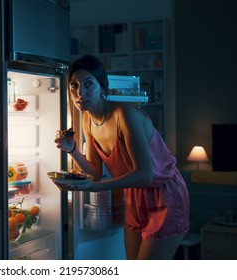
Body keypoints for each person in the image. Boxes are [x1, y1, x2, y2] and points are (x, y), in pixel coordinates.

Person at [54, 54, 189, 260]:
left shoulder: (124, 115)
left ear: (102, 87)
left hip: (164, 195)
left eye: (88, 84)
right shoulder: (89, 120)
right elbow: (95, 172)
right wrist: (72, 150)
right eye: (74, 85)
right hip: (134, 196)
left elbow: (145, 174)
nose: (80, 92)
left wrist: (93, 187)